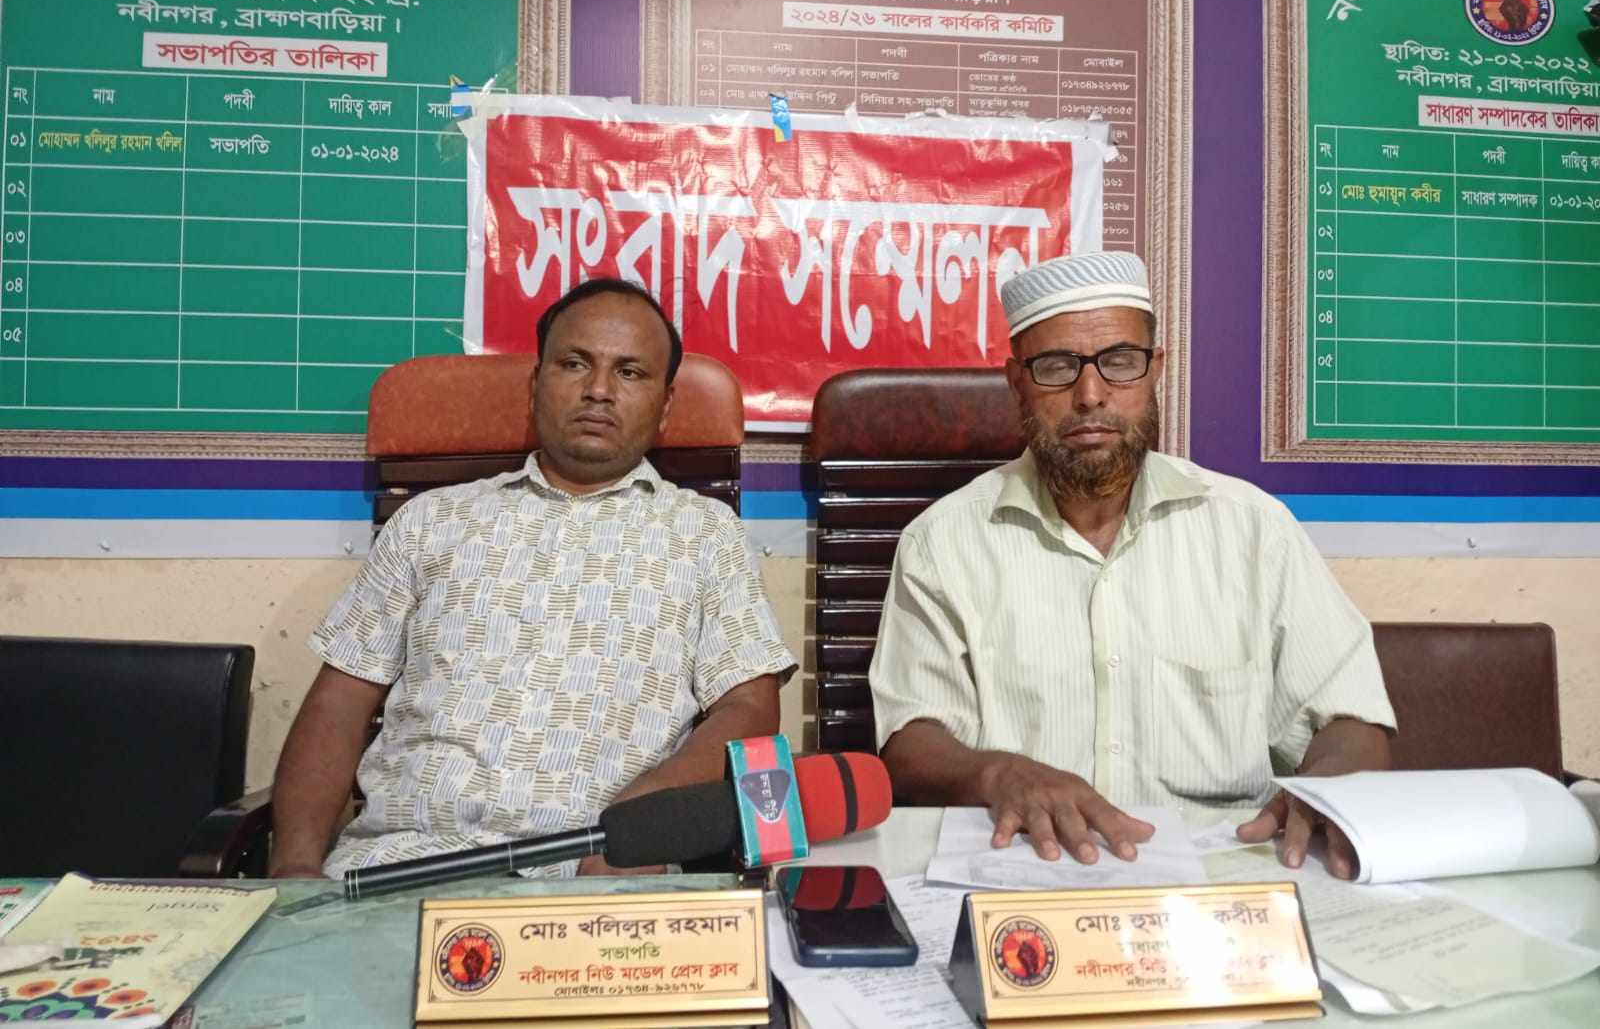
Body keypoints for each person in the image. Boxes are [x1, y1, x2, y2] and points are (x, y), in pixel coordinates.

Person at [868, 251, 1394, 880]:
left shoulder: (1254, 530)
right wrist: (999, 773)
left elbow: (1352, 719)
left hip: (1226, 875)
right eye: (1057, 367)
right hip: (1029, 868)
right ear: (1017, 383)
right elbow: (910, 742)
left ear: (1155, 370)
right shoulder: (944, 542)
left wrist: (1327, 789)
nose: (1091, 395)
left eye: (1119, 362)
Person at [269, 278, 796, 878]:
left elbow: (749, 707)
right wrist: (293, 869)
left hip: (597, 877)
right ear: (536, 383)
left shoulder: (705, 533)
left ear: (666, 404)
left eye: (629, 373)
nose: (599, 390)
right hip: (403, 866)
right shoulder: (431, 520)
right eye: (575, 364)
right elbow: (340, 699)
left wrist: (638, 826)